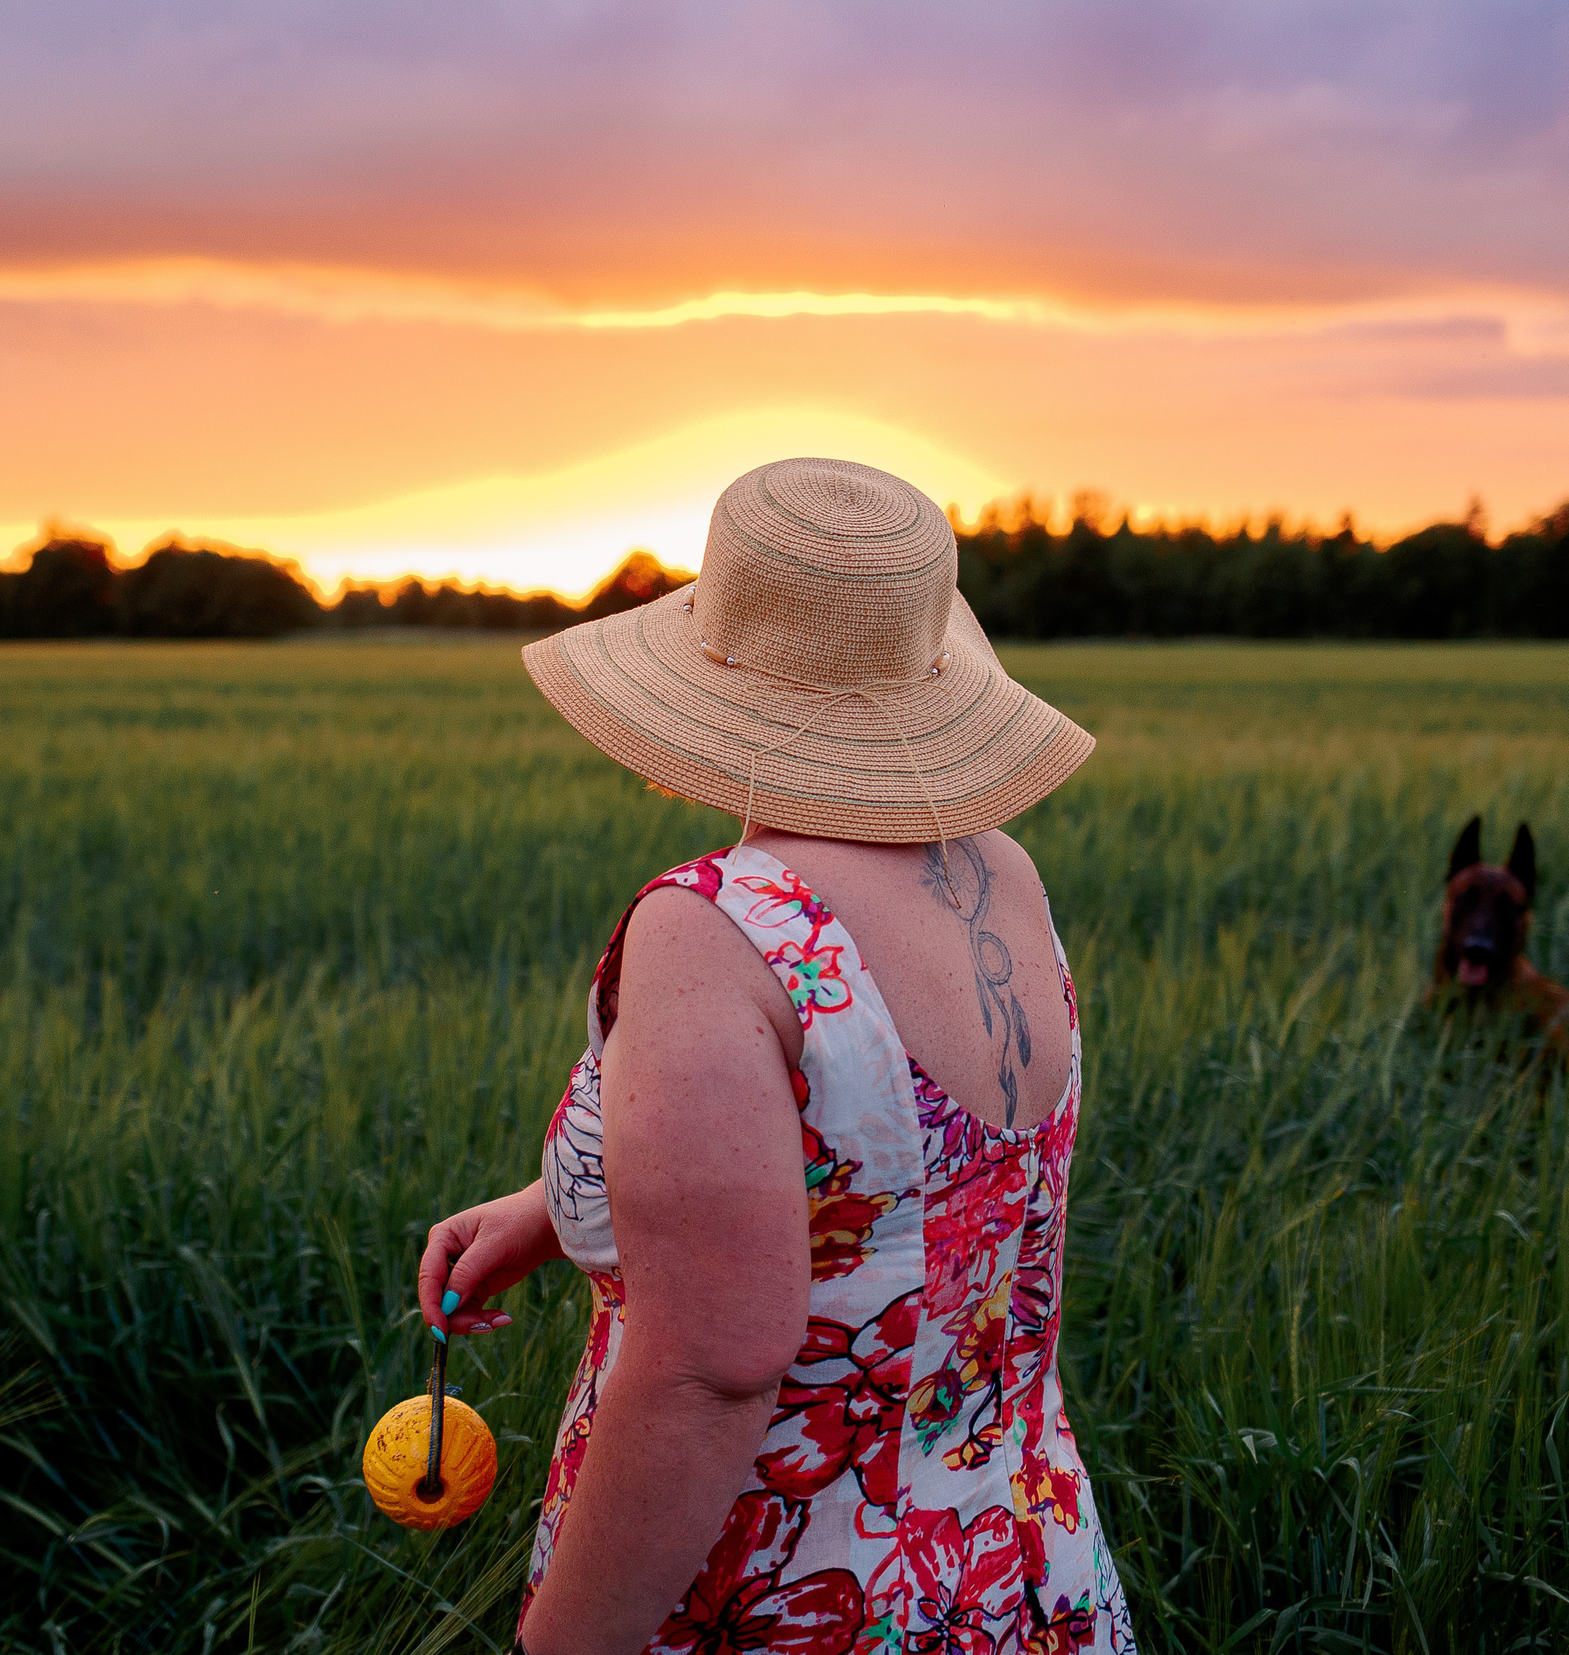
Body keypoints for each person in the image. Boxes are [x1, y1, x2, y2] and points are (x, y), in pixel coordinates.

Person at [420, 459, 1136, 1654]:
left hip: (790, 1600)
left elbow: (713, 1370)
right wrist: (559, 1206)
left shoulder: (718, 930)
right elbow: (890, 1176)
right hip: (1023, 1572)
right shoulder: (1001, 875)